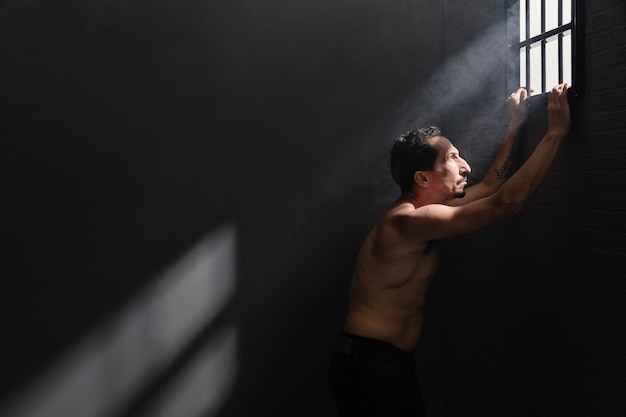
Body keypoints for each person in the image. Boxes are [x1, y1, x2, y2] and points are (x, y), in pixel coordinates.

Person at [327, 83, 571, 416]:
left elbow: (490, 186)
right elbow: (508, 203)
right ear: (422, 179)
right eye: (452, 158)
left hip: (381, 364)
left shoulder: (424, 214)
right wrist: (555, 133)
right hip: (370, 367)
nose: (465, 165)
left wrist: (514, 125)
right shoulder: (406, 222)